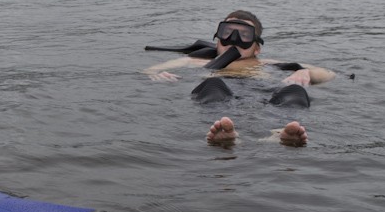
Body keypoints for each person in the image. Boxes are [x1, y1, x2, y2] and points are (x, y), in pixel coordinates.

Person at [143, 10, 335, 147]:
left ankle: (278, 134)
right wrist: (158, 74)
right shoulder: (194, 62)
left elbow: (330, 74)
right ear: (217, 40)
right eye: (227, 33)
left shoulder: (269, 63)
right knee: (213, 84)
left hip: (264, 93)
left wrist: (306, 72)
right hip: (220, 91)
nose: (234, 40)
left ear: (257, 47)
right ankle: (228, 133)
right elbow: (148, 70)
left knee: (295, 91)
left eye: (244, 35)